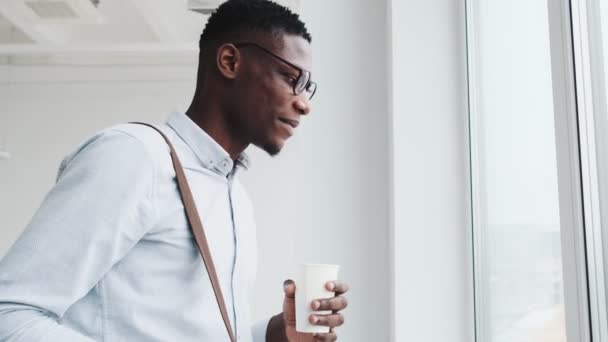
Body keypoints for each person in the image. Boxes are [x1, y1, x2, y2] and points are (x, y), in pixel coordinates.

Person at [0, 0, 349, 341]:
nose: (303, 104)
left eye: (307, 87)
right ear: (229, 61)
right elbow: (9, 314)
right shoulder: (134, 156)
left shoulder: (235, 197)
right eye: (290, 78)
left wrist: (276, 335)